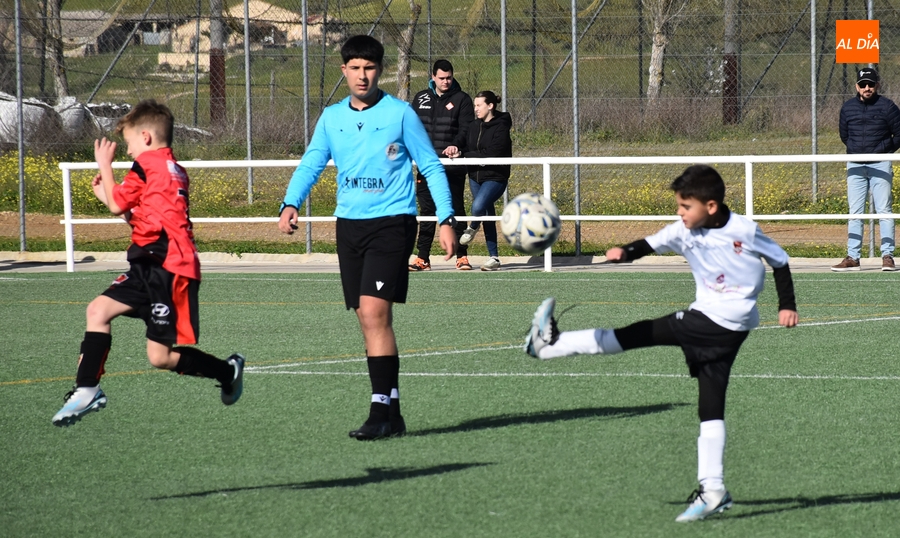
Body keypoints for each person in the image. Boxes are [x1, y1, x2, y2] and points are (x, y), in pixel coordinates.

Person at [524, 165, 799, 522]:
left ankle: (548, 345)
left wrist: (787, 304)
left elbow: (780, 261)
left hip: (717, 321)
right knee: (710, 406)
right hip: (725, 327)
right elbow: (650, 244)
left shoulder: (744, 230)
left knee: (633, 335)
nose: (680, 214)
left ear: (711, 207)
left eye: (686, 207)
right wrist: (624, 251)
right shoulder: (683, 230)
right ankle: (713, 489)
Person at [278, 35, 457, 440]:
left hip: (393, 223)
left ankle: (378, 412)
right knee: (366, 317)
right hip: (350, 226)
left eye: (370, 68)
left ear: (380, 70)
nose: (362, 75)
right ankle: (393, 413)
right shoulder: (331, 118)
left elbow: (430, 165)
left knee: (375, 314)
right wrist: (291, 203)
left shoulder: (400, 114)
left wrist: (445, 217)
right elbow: (312, 162)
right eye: (355, 68)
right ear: (344, 71)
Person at [52, 100, 245, 427]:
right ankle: (87, 388)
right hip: (150, 263)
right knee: (98, 311)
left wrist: (104, 166)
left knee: (161, 357)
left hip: (167, 268)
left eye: (127, 143)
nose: (126, 150)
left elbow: (117, 207)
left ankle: (228, 371)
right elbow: (142, 218)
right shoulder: (173, 170)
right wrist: (110, 196)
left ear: (145, 137)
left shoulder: (146, 167)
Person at [409, 59, 474, 271]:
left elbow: (466, 129)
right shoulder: (421, 98)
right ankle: (422, 258)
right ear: (433, 77)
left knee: (456, 209)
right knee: (427, 211)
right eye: (441, 78)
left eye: (449, 78)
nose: (446, 82)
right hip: (427, 166)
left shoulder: (462, 99)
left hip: (452, 166)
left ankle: (462, 256)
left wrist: (456, 146)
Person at [833, 66, 900, 272]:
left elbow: (898, 134)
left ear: (877, 85)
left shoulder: (888, 107)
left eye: (871, 84)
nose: (867, 88)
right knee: (855, 213)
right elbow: (845, 136)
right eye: (863, 85)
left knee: (884, 211)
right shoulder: (848, 108)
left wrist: (881, 151)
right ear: (857, 86)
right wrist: (857, 151)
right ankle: (853, 257)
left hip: (880, 164)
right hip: (855, 164)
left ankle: (887, 256)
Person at [449, 90, 512, 271]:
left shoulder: (501, 125)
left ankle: (472, 227)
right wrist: (454, 147)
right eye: (475, 105)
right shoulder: (474, 125)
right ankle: (494, 258)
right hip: (475, 176)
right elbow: (462, 139)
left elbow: (493, 152)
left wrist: (464, 155)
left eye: (479, 105)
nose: (475, 109)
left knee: (477, 208)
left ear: (490, 106)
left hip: (495, 177)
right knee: (487, 215)